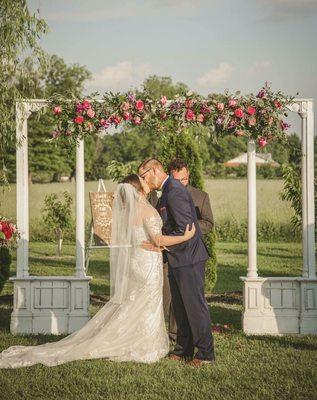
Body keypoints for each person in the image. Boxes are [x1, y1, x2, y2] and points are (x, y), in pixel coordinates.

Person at [0, 174, 196, 369]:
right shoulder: (147, 210)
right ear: (138, 188)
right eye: (143, 180)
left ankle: (133, 338)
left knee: (136, 301)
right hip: (147, 264)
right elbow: (158, 239)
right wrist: (184, 237)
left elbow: (139, 240)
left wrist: (153, 245)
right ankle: (145, 344)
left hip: (137, 260)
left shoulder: (128, 211)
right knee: (148, 302)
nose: (147, 182)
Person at [139, 158, 215, 366]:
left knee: (195, 307)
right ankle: (183, 349)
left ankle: (205, 354)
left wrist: (160, 241)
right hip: (176, 258)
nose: (143, 180)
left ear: (154, 170)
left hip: (188, 259)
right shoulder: (168, 191)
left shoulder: (174, 191)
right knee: (180, 308)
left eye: (144, 176)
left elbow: (186, 229)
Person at [165, 158, 214, 340]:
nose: (181, 184)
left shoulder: (200, 196)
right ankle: (172, 335)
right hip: (167, 253)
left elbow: (208, 223)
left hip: (190, 253)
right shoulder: (162, 195)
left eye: (184, 180)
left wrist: (187, 227)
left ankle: (187, 336)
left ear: (189, 176)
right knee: (171, 298)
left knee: (192, 300)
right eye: (177, 181)